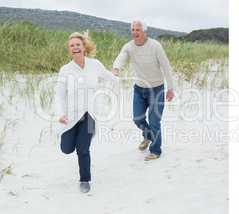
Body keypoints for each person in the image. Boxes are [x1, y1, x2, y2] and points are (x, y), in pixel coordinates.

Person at [54, 31, 119, 193]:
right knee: (67, 149)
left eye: (77, 44)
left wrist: (117, 75)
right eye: (71, 46)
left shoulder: (95, 64)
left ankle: (85, 179)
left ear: (83, 47)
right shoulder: (65, 70)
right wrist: (59, 113)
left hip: (89, 115)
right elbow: (59, 95)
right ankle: (78, 138)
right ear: (69, 50)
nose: (75, 47)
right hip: (71, 115)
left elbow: (113, 79)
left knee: (83, 149)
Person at [112, 20, 174, 161]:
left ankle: (155, 150)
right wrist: (116, 68)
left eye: (137, 30)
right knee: (138, 119)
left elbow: (167, 67)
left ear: (144, 32)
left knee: (154, 122)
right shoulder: (129, 47)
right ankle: (147, 136)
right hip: (139, 89)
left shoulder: (155, 46)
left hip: (156, 89)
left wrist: (170, 89)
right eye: (133, 30)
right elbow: (121, 57)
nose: (134, 32)